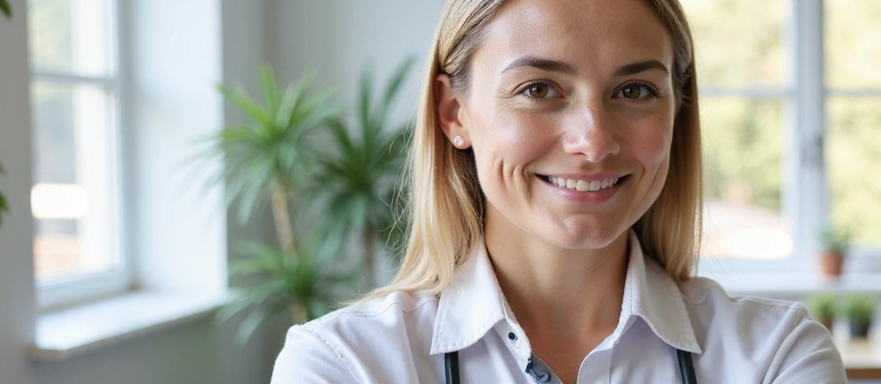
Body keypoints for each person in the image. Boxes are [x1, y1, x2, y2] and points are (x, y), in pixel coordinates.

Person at [269, 0, 847, 383]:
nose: (593, 141)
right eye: (540, 88)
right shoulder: (344, 365)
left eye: (636, 90)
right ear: (454, 114)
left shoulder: (778, 357)